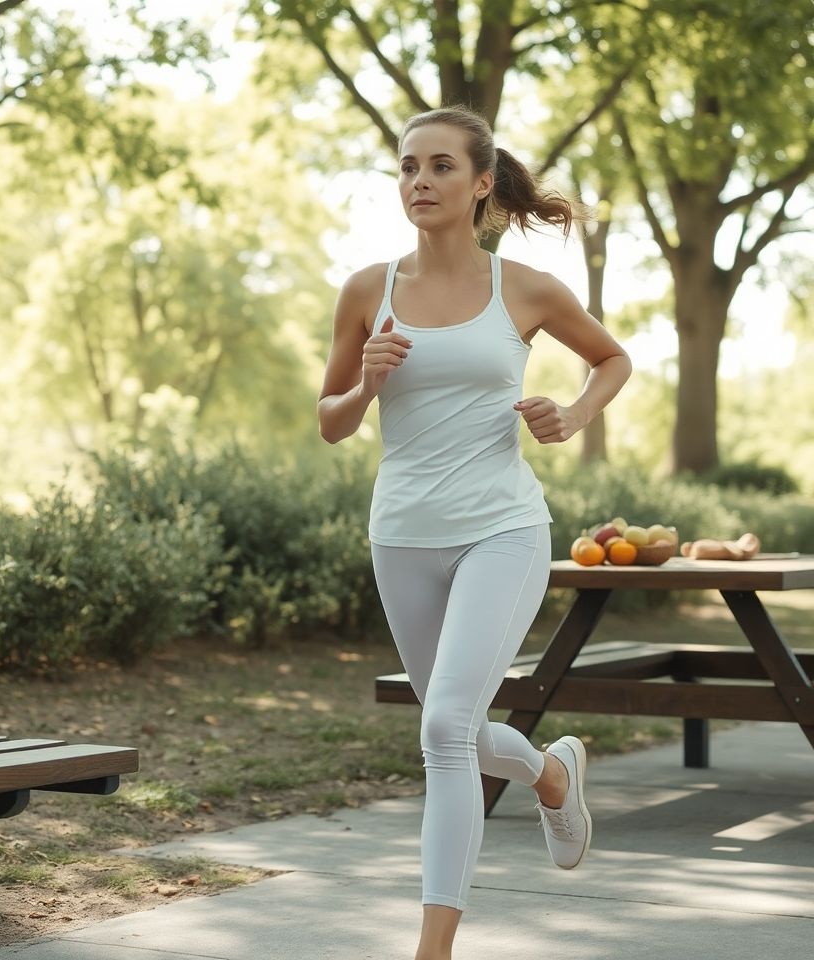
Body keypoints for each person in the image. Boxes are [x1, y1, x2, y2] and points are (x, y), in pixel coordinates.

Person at [317, 105, 632, 960]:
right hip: (403, 535)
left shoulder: (520, 287)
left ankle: (432, 951)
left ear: (481, 182)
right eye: (408, 167)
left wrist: (569, 413)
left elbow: (613, 359)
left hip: (503, 528)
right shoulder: (366, 290)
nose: (419, 180)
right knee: (453, 727)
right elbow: (330, 422)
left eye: (440, 167)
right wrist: (366, 383)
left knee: (444, 730)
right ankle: (550, 772)